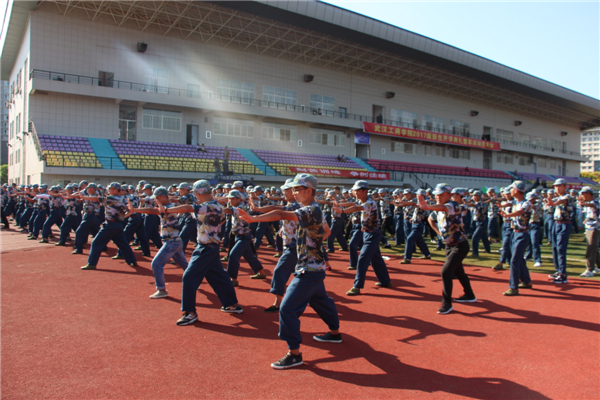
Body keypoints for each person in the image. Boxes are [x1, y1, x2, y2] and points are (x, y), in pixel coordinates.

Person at [237, 173, 341, 370]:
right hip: (315, 266)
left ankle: (294, 354)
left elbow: (281, 214)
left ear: (308, 190)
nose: (293, 193)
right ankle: (335, 333)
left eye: (296, 189)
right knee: (321, 301)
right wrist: (314, 242)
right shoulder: (314, 209)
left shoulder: (311, 209)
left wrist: (253, 219)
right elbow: (326, 231)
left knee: (287, 309)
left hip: (309, 268)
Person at [157, 180, 242, 326]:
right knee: (218, 276)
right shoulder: (215, 205)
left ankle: (189, 312)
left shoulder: (208, 206)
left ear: (198, 193)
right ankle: (232, 304)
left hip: (206, 247)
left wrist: (166, 210)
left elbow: (187, 207)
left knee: (189, 277)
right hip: (211, 245)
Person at [417, 183, 476, 314]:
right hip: (449, 245)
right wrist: (439, 233)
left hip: (460, 245)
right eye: (436, 195)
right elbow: (431, 219)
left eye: (442, 195)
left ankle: (447, 303)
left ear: (450, 195)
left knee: (446, 272)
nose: (438, 197)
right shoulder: (438, 209)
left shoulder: (453, 205)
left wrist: (427, 206)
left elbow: (444, 207)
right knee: (459, 272)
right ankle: (470, 294)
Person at [127, 186, 189, 298]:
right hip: (175, 241)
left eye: (157, 198)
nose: (155, 201)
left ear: (163, 196)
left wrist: (135, 210)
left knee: (156, 264)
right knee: (185, 265)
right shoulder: (166, 207)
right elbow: (152, 210)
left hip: (172, 242)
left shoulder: (170, 208)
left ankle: (162, 290)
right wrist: (135, 210)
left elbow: (154, 210)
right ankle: (195, 280)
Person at [334, 180, 391, 296]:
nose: (355, 193)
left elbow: (357, 208)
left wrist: (342, 210)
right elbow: (353, 204)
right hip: (367, 233)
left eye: (358, 191)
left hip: (373, 234)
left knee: (363, 259)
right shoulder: (361, 201)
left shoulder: (370, 202)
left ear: (365, 191)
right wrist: (339, 204)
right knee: (376, 259)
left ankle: (357, 286)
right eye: (355, 191)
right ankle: (385, 281)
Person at [80, 182, 139, 270]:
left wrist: (84, 197)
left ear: (117, 190)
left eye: (112, 189)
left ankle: (91, 263)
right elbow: (131, 210)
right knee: (123, 244)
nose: (110, 190)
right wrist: (123, 217)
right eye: (110, 188)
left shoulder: (111, 198)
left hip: (110, 225)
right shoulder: (123, 199)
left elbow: (97, 198)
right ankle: (132, 260)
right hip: (118, 224)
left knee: (96, 243)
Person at [224, 189, 267, 286]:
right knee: (249, 256)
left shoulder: (241, 207)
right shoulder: (236, 206)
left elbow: (228, 210)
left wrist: (215, 209)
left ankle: (232, 279)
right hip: (239, 236)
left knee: (233, 255)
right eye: (229, 199)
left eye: (233, 199)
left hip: (244, 237)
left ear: (239, 199)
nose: (230, 201)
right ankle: (261, 273)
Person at [499, 181, 533, 296]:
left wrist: (508, 215)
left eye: (512, 189)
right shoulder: (514, 202)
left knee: (514, 260)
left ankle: (513, 287)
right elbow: (508, 204)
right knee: (519, 259)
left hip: (522, 234)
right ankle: (526, 281)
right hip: (515, 233)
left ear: (517, 190)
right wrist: (501, 206)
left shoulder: (526, 203)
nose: (510, 191)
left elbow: (520, 211)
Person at [547, 178, 574, 284]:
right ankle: (558, 270)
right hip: (556, 223)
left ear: (565, 187)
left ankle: (563, 274)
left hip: (564, 224)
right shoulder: (558, 198)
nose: (557, 188)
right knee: (555, 247)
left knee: (561, 248)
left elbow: (563, 201)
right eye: (555, 186)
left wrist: (553, 203)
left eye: (559, 186)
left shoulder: (568, 197)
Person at [577, 187, 600, 278]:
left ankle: (590, 269)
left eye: (583, 194)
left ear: (588, 193)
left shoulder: (595, 202)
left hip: (594, 228)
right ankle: (598, 266)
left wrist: (584, 203)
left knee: (590, 248)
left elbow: (593, 205)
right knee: (593, 248)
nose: (582, 196)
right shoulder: (587, 204)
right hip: (589, 228)